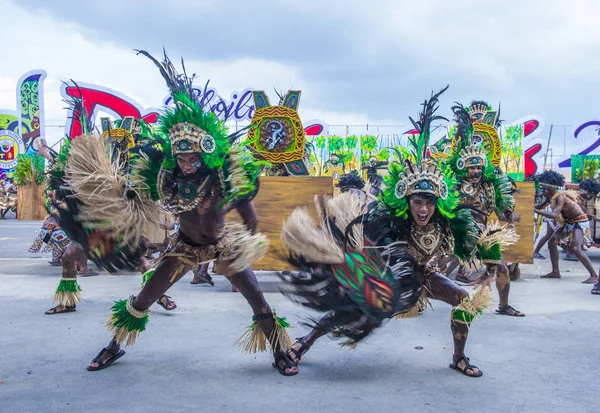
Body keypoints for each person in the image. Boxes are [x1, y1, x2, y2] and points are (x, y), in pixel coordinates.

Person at [58, 50, 296, 375]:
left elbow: (251, 220)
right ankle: (114, 346)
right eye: (181, 159)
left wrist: (241, 248)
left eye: (192, 158)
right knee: (143, 300)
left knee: (258, 300)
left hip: (223, 245)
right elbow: (133, 198)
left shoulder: (222, 181)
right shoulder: (164, 179)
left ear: (204, 155)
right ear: (174, 158)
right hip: (183, 248)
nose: (187, 164)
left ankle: (280, 351)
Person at [280, 87, 511, 377]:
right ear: (407, 202)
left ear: (437, 204)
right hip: (388, 278)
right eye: (417, 202)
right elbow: (366, 242)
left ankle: (459, 358)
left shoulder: (447, 222)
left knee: (463, 301)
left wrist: (490, 268)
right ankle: (303, 343)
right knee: (355, 309)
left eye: (429, 203)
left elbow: (480, 240)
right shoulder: (392, 221)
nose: (423, 209)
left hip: (424, 277)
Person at [447, 102, 524, 317]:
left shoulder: (490, 188)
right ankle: (425, 295)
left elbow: (501, 214)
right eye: (472, 167)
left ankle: (504, 305)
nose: (476, 171)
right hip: (458, 232)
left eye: (479, 167)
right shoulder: (455, 186)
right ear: (464, 168)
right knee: (440, 267)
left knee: (501, 269)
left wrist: (509, 214)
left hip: (483, 233)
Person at [535, 173, 598, 284]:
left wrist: (535, 211)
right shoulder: (551, 197)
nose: (543, 191)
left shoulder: (560, 196)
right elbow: (540, 207)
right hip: (569, 222)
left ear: (552, 188)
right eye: (542, 188)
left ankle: (594, 275)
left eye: (545, 189)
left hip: (579, 221)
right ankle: (555, 272)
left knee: (575, 248)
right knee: (551, 242)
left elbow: (554, 215)